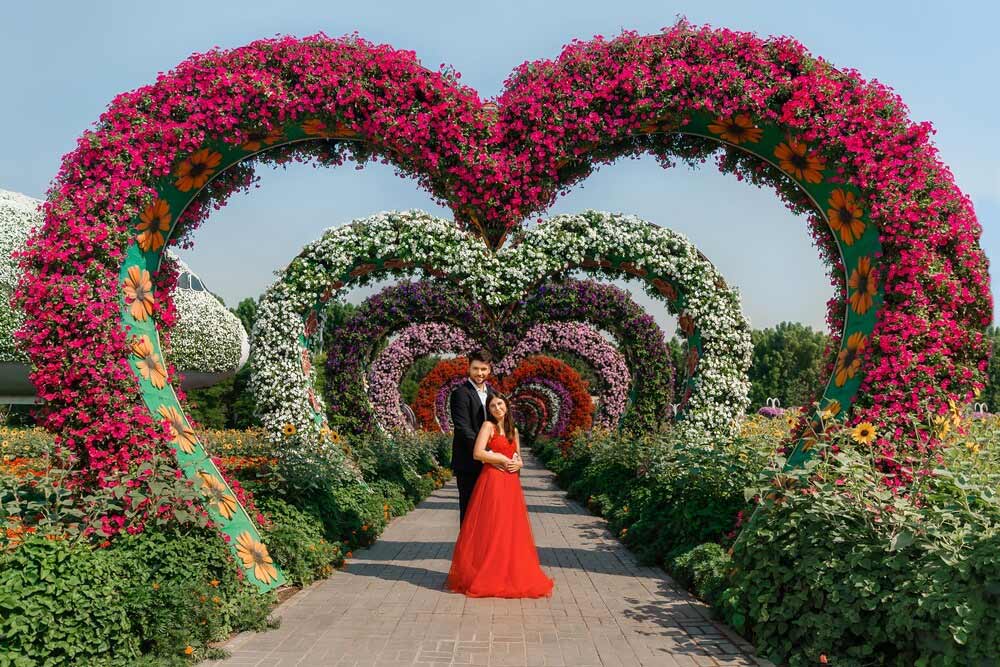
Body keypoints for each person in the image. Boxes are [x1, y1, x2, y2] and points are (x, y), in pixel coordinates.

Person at [446, 393, 554, 598]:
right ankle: (488, 575)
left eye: (500, 403)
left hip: (511, 484)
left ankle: (507, 574)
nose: (497, 408)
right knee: (494, 527)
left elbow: (519, 457)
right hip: (493, 481)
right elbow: (477, 453)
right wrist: (501, 460)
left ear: (507, 406)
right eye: (493, 405)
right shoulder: (488, 426)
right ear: (489, 409)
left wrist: (520, 463)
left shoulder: (513, 430)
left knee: (510, 529)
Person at [450, 350, 519, 523]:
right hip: (469, 463)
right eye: (475, 369)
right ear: (469, 368)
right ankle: (468, 550)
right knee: (470, 512)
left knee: (492, 515)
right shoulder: (460, 394)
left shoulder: (493, 394)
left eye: (483, 369)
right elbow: (463, 429)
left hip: (494, 467)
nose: (479, 373)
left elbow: (503, 424)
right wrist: (488, 454)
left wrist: (512, 455)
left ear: (489, 370)